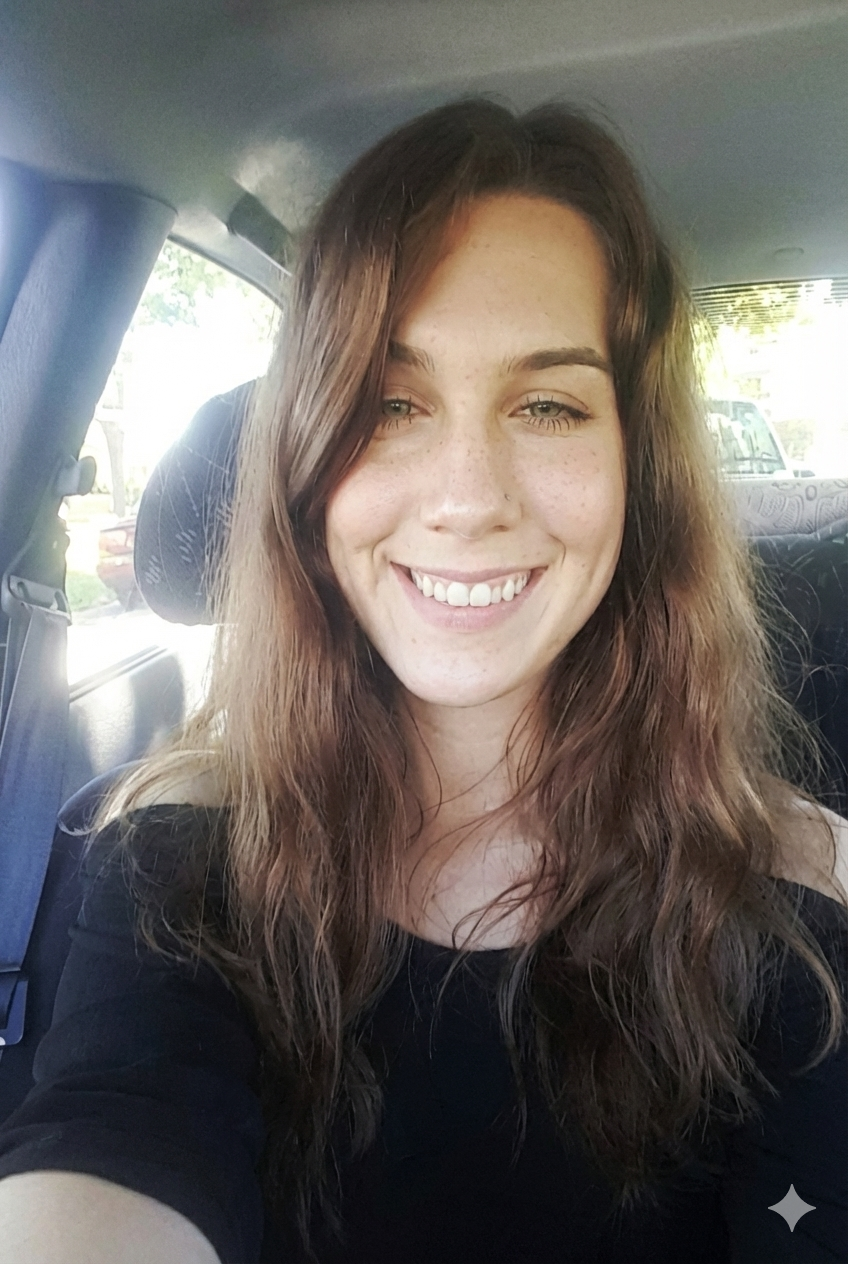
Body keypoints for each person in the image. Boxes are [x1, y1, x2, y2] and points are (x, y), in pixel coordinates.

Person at [0, 98, 846, 1264]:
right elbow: (113, 1130)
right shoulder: (178, 853)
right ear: (305, 458)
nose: (464, 496)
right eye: (390, 403)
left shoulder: (791, 892)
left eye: (547, 404)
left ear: (635, 467)